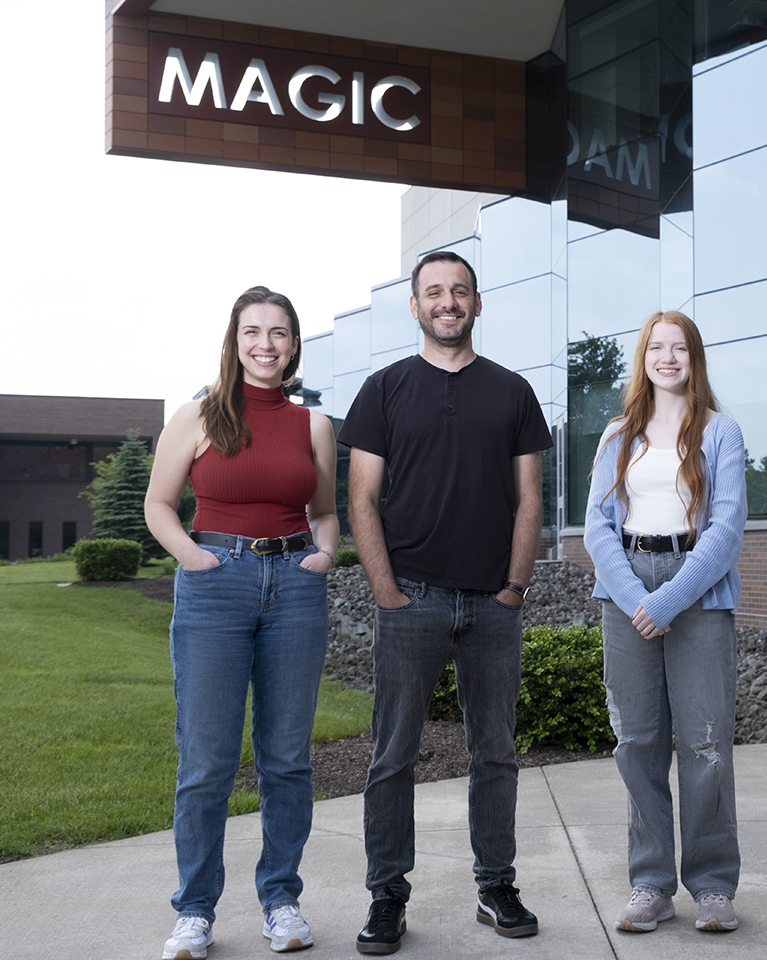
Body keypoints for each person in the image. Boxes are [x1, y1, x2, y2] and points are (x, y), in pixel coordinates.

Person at [340, 250, 553, 955]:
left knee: (495, 752)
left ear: (477, 304)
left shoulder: (513, 392)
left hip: (493, 605)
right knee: (392, 756)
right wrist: (386, 591)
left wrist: (515, 586)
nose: (447, 301)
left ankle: (496, 886)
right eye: (434, 292)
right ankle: (387, 899)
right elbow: (361, 499)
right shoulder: (384, 390)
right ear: (415, 306)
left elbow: (530, 498)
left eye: (459, 291)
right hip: (414, 601)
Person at [145, 286, 339, 959]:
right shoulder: (197, 415)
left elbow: (326, 512)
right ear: (234, 341)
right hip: (214, 587)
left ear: (293, 345)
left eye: (279, 333)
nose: (266, 344)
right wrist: (195, 559)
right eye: (253, 331)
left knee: (286, 759)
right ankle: (194, 912)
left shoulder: (312, 426)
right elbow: (159, 505)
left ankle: (280, 901)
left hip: (293, 587)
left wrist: (327, 552)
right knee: (207, 761)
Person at [583, 310, 748, 934]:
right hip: (626, 585)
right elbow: (597, 527)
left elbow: (727, 530)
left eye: (680, 348)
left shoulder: (721, 432)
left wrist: (669, 600)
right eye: (658, 348)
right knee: (637, 742)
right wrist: (635, 599)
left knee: (705, 742)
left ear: (694, 358)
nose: (669, 358)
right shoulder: (616, 434)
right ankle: (650, 884)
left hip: (697, 591)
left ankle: (711, 887)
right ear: (644, 358)